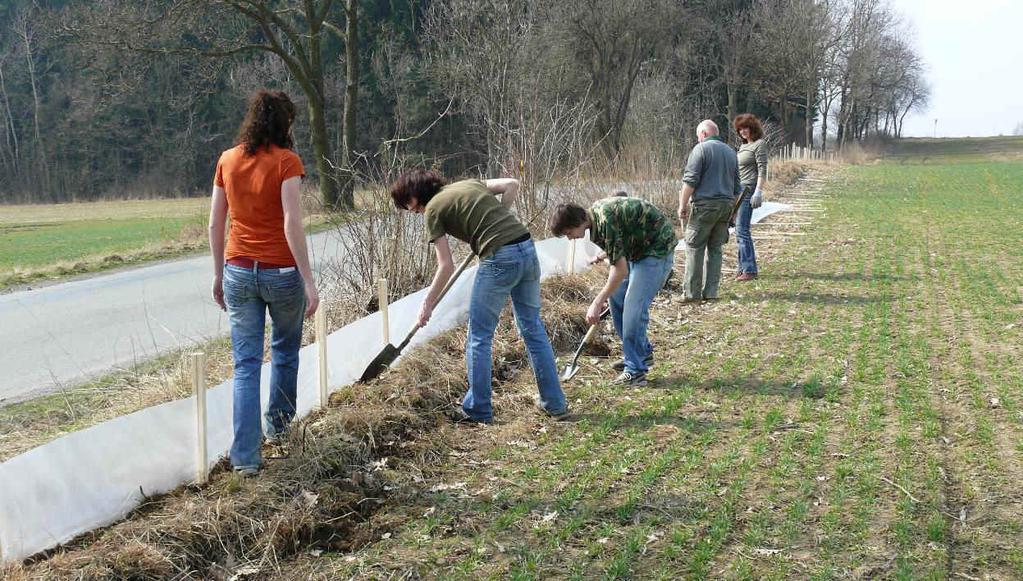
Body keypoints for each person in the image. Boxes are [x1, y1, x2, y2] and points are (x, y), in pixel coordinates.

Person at [390, 170, 567, 424]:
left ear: (415, 195)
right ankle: (555, 404)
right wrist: (501, 217)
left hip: (499, 258)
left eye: (407, 204)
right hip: (526, 247)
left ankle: (478, 410)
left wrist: (427, 303)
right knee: (532, 327)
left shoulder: (433, 211)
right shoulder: (467, 184)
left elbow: (446, 266)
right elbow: (511, 184)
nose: (410, 211)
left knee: (479, 336)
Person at [209, 90, 319, 477]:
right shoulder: (287, 162)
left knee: (246, 365)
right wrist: (309, 280)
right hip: (281, 273)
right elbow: (292, 222)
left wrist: (218, 274)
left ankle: (245, 458)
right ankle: (280, 429)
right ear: (284, 123)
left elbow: (215, 223)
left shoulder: (227, 160)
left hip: (238, 270)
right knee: (286, 351)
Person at [550, 197, 676, 387]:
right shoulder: (595, 220)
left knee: (633, 309)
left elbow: (620, 269)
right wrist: (604, 255)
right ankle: (641, 353)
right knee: (617, 299)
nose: (569, 238)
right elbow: (622, 238)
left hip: (656, 250)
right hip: (638, 250)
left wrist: (597, 301)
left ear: (578, 222)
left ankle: (636, 371)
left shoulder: (605, 221)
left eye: (568, 232)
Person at [677, 119, 742, 302]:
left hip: (705, 206)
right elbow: (737, 187)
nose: (698, 139)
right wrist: (734, 211)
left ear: (703, 134)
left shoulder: (701, 149)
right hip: (726, 206)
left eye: (698, 136)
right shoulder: (731, 152)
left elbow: (690, 180)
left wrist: (682, 205)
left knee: (694, 246)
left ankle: (691, 293)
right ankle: (711, 292)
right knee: (715, 248)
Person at [733, 114, 768, 281]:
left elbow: (762, 169)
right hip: (739, 190)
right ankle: (742, 267)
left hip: (749, 189)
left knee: (742, 229)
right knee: (739, 230)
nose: (742, 132)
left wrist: (758, 191)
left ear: (752, 128)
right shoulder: (742, 147)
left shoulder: (759, 145)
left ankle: (749, 269)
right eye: (739, 129)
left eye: (745, 128)